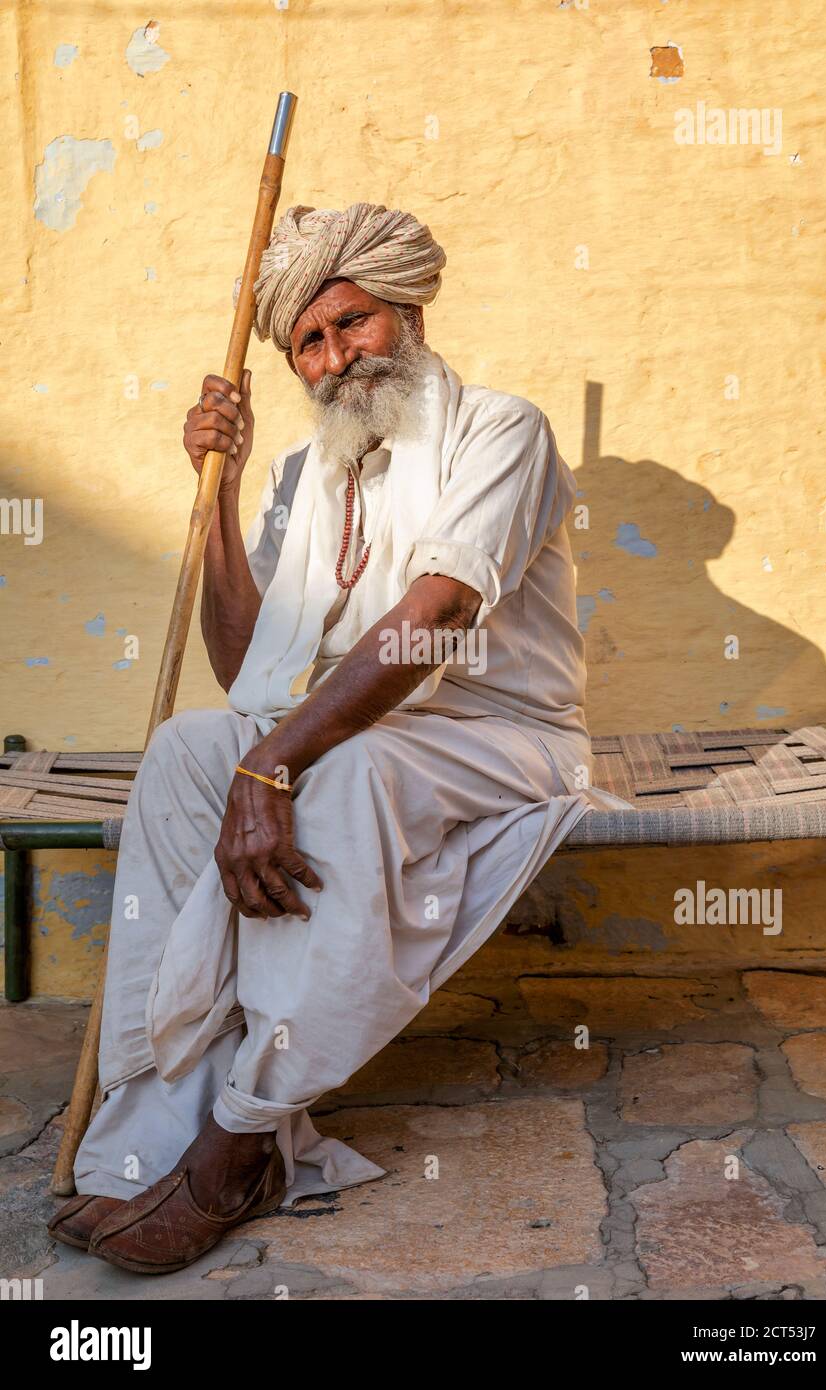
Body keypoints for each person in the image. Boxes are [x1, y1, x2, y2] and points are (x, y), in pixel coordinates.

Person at [48, 202, 627, 1275]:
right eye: (308, 343)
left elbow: (439, 612)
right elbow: (246, 669)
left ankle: (239, 1142)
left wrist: (274, 763)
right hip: (362, 730)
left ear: (406, 310)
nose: (334, 358)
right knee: (185, 749)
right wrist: (214, 500)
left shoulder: (501, 429)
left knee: (341, 767)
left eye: (351, 323)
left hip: (501, 735)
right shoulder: (304, 478)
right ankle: (161, 1124)